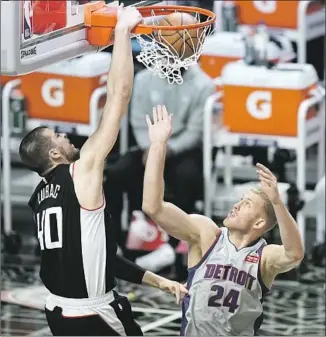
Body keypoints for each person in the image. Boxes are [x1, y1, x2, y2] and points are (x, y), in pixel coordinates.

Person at [19, 7, 187, 336]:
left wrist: (159, 281)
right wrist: (122, 33)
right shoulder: (80, 173)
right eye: (59, 137)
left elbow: (102, 256)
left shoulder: (39, 197)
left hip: (57, 310)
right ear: (54, 153)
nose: (66, 136)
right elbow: (118, 97)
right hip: (90, 313)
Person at [142, 105, 305, 336]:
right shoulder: (207, 235)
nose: (236, 205)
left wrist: (277, 202)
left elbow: (294, 254)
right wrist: (158, 145)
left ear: (259, 223)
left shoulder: (263, 257)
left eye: (246, 204)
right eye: (240, 199)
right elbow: (152, 206)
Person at [104, 64, 215, 274]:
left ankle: (175, 246)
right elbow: (138, 120)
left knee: (187, 176)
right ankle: (116, 240)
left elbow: (195, 132)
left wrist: (166, 149)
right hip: (149, 145)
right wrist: (152, 148)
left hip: (181, 149)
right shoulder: (144, 79)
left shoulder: (204, 85)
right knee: (118, 172)